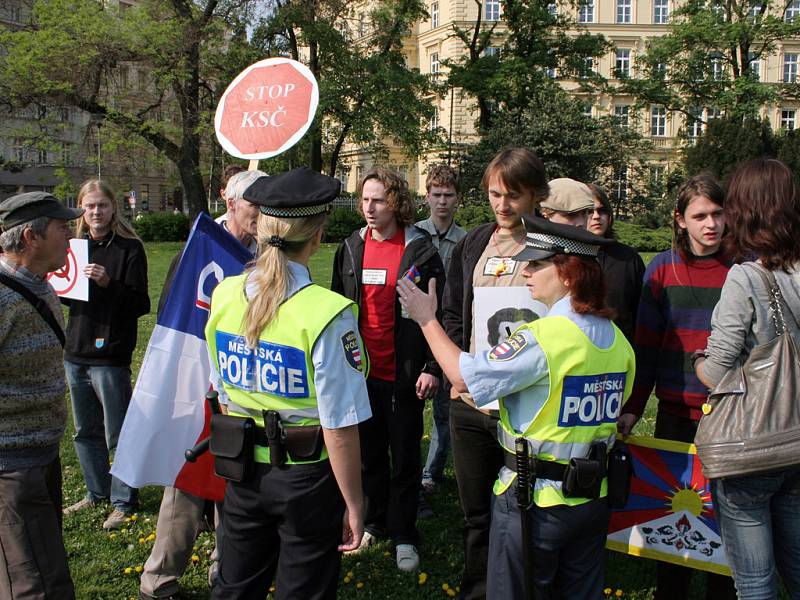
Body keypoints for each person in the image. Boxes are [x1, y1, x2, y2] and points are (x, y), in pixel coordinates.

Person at [397, 215, 636, 599]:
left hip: (534, 503)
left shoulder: (543, 338)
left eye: (538, 263)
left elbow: (463, 377)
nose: (526, 269)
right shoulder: (617, 340)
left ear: (570, 275)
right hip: (592, 499)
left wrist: (426, 319)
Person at [206, 167, 371, 599]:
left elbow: (222, 393)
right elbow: (340, 426)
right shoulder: (329, 313)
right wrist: (354, 501)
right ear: (317, 236)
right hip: (307, 478)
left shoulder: (224, 295)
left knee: (236, 586)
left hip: (242, 469)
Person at [139, 167, 264, 600]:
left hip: (243, 387)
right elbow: (172, 316)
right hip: (197, 386)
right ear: (231, 202)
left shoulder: (268, 256)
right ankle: (160, 579)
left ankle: (223, 570)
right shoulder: (199, 250)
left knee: (237, 479)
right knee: (188, 484)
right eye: (253, 204)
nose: (261, 214)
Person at [617, 174, 736, 600]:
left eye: (718, 214)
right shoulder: (662, 269)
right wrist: (633, 405)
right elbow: (645, 349)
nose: (712, 224)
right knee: (675, 520)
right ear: (680, 220)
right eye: (700, 215)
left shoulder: (745, 268)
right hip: (676, 415)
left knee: (729, 524)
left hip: (733, 415)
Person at [442, 147, 549, 599]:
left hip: (526, 409)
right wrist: (455, 369)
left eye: (513, 196)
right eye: (494, 195)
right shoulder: (474, 243)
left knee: (525, 512)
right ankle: (478, 590)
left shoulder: (552, 245)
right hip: (471, 405)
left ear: (536, 195)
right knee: (477, 514)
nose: (502, 206)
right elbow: (452, 310)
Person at [695, 158, 800, 600]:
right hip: (796, 441)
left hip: (752, 449)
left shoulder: (747, 276)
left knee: (755, 583)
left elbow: (717, 367)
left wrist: (698, 360)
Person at [332, 166, 444, 572]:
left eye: (378, 200)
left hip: (406, 373)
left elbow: (440, 310)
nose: (369, 208)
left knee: (405, 456)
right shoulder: (350, 247)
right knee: (369, 456)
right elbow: (336, 311)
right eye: (364, 200)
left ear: (395, 202)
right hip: (360, 375)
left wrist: (432, 366)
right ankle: (375, 523)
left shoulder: (421, 249)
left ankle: (405, 534)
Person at [0, 191, 83, 599]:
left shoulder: (39, 285)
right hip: (12, 467)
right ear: (32, 238)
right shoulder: (3, 298)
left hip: (41, 455)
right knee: (33, 580)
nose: (71, 235)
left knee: (40, 563)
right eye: (62, 227)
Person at [61, 180, 150, 530]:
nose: (95, 212)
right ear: (81, 210)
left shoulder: (129, 249)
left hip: (110, 353)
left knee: (118, 431)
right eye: (89, 206)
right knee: (85, 430)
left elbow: (140, 304)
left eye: (102, 205)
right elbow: (67, 298)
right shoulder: (74, 247)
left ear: (114, 208)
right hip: (76, 349)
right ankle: (95, 491)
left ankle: (124, 498)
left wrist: (106, 284)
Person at [415, 164, 467, 504]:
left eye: (449, 195)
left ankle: (430, 472)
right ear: (427, 197)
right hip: (414, 326)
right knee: (410, 405)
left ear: (458, 199)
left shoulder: (465, 240)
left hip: (449, 330)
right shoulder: (414, 234)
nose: (443, 201)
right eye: (437, 195)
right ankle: (408, 468)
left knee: (445, 411)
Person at [586, 183, 645, 341]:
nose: (597, 216)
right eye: (589, 211)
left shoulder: (628, 258)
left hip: (621, 349)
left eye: (601, 210)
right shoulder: (565, 257)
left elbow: (641, 310)